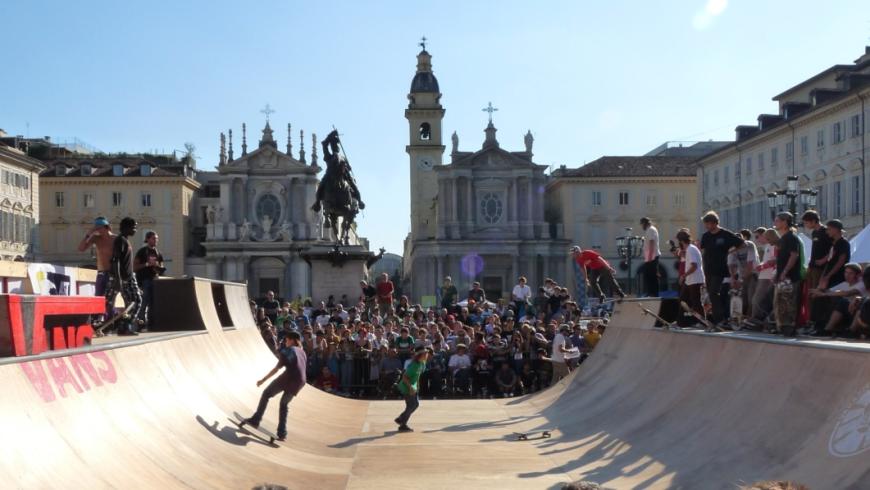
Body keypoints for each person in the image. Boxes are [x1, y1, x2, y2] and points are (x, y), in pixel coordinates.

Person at [241, 331, 307, 441]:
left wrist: (263, 380)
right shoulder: (302, 351)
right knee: (284, 404)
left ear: (291, 340)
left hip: (289, 378)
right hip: (300, 381)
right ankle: (282, 434)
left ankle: (256, 419)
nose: (285, 342)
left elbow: (276, 369)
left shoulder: (288, 351)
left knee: (266, 394)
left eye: (286, 340)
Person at [700, 211, 744, 324]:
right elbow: (703, 250)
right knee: (711, 293)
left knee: (714, 292)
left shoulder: (725, 234)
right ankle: (718, 318)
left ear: (714, 223)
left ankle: (719, 319)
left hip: (719, 269)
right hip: (708, 269)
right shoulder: (706, 236)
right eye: (705, 224)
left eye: (707, 224)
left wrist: (730, 251)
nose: (706, 226)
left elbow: (742, 244)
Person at [105, 217, 142, 336]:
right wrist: (118, 279)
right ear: (126, 227)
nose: (135, 229)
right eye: (134, 227)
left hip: (128, 277)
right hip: (123, 278)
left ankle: (124, 326)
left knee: (132, 302)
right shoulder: (120, 240)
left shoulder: (125, 240)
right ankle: (123, 326)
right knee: (135, 301)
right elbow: (115, 260)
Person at [809, 262, 865, 336]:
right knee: (822, 299)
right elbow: (829, 291)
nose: (847, 275)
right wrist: (818, 290)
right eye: (846, 272)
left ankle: (829, 329)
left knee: (842, 301)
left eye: (851, 273)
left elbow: (847, 293)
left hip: (858, 312)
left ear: (857, 275)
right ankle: (819, 326)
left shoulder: (862, 284)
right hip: (845, 312)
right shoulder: (844, 284)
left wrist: (824, 294)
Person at [77, 216, 116, 321]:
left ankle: (110, 321)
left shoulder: (115, 239)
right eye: (96, 228)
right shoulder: (96, 239)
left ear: (106, 227)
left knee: (109, 298)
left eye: (99, 228)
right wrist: (88, 235)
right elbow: (81, 248)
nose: (97, 230)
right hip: (101, 272)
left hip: (113, 273)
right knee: (98, 297)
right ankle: (97, 319)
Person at [773, 212, 803, 336]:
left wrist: (785, 271)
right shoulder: (783, 238)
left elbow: (794, 255)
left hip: (790, 276)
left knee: (788, 302)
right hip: (782, 275)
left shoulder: (791, 237)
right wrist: (778, 272)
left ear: (785, 222)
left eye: (777, 220)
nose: (775, 223)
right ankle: (782, 326)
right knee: (780, 302)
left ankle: (789, 327)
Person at [747, 228, 779, 329]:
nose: (756, 240)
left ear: (764, 235)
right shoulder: (768, 246)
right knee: (758, 300)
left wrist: (761, 267)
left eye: (757, 237)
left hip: (768, 277)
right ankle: (758, 321)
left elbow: (774, 261)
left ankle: (756, 321)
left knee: (757, 300)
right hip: (764, 276)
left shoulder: (773, 246)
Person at [133, 230, 165, 330]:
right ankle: (140, 324)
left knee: (153, 304)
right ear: (147, 239)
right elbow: (134, 267)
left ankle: (151, 325)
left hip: (155, 281)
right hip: (144, 281)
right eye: (153, 238)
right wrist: (147, 264)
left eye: (157, 238)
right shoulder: (142, 251)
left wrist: (158, 267)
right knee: (144, 303)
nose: (156, 240)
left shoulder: (158, 253)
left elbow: (162, 267)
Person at [394, 345, 429, 432]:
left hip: (413, 386)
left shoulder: (422, 363)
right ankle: (402, 423)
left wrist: (417, 385)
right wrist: (410, 388)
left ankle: (401, 419)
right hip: (406, 387)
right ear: (420, 355)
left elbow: (418, 375)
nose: (427, 355)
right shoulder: (414, 365)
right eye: (425, 354)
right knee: (412, 405)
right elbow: (405, 377)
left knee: (414, 405)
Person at [676, 230, 705, 327]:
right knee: (683, 301)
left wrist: (683, 275)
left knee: (696, 301)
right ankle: (682, 322)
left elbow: (694, 266)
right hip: (690, 281)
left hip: (695, 280)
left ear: (681, 241)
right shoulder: (689, 249)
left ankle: (702, 322)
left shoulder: (691, 249)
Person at [818, 220, 849, 291]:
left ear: (836, 229)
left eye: (829, 229)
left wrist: (828, 275)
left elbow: (841, 261)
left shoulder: (843, 243)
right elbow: (829, 261)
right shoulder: (834, 244)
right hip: (830, 277)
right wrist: (824, 276)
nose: (827, 232)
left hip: (838, 277)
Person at [639, 217, 661, 297]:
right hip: (651, 257)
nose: (642, 227)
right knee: (649, 275)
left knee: (651, 276)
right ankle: (651, 293)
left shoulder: (651, 230)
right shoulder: (650, 230)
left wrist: (649, 257)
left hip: (652, 257)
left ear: (644, 223)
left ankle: (653, 293)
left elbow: (652, 243)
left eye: (642, 224)